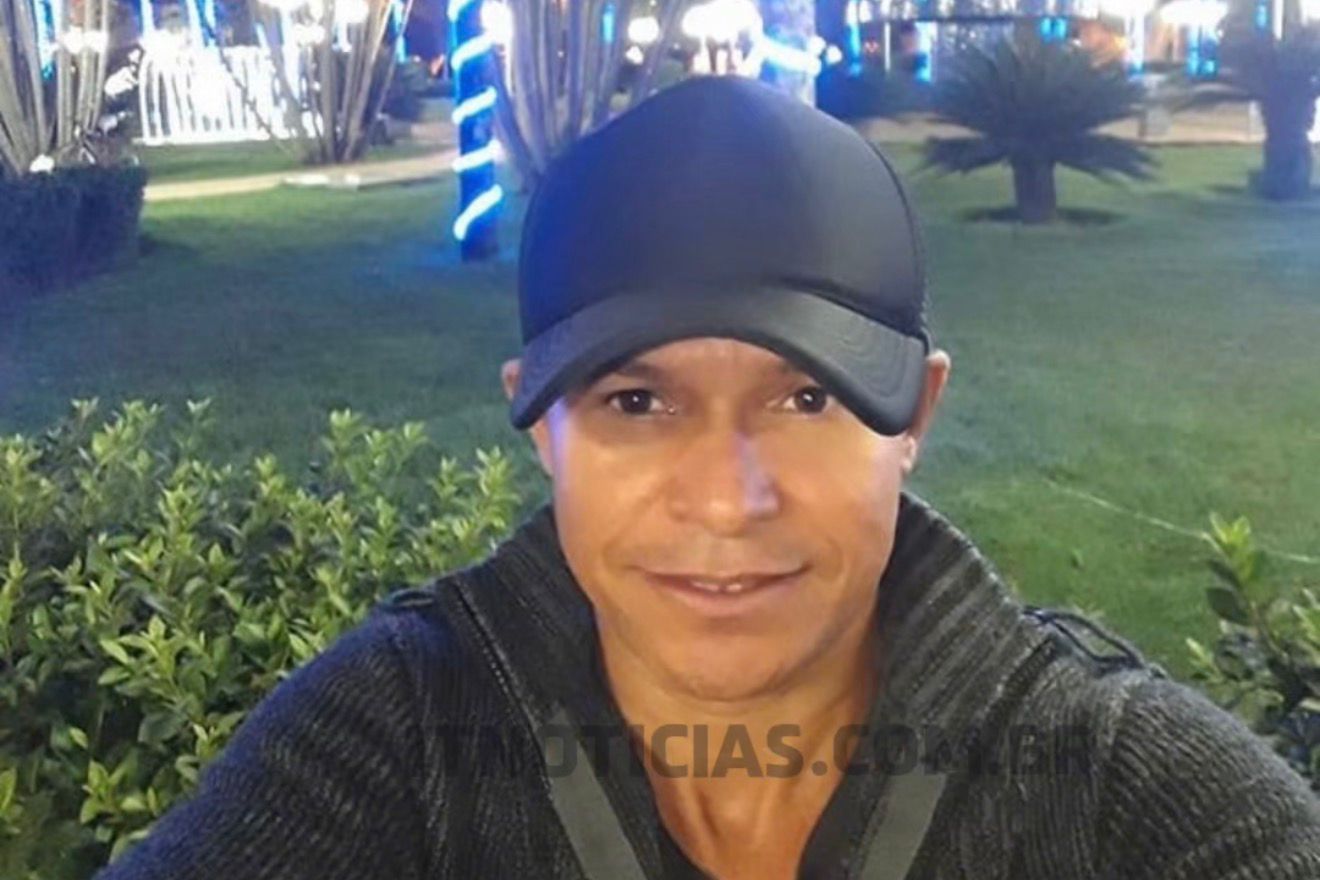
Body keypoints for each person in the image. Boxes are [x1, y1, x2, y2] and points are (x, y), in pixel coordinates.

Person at [94, 76, 1320, 880]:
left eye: (805, 397)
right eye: (637, 401)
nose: (729, 500)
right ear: (542, 427)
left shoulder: (1116, 785)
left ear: (914, 416)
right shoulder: (402, 732)